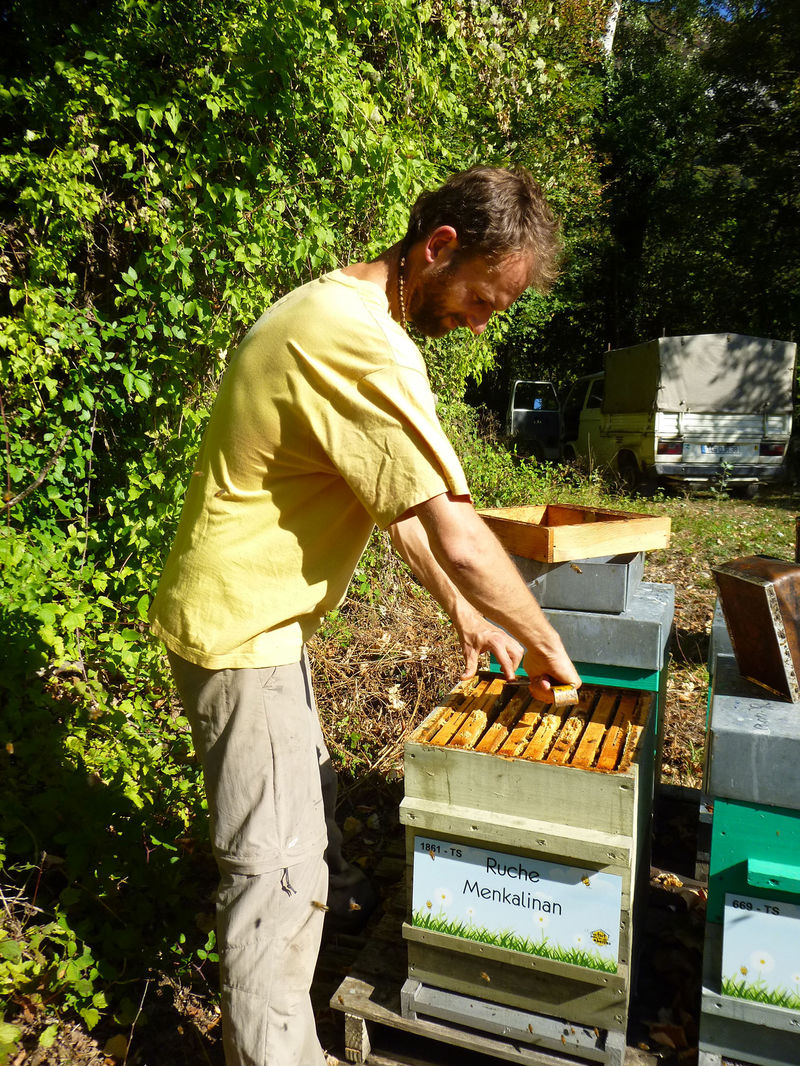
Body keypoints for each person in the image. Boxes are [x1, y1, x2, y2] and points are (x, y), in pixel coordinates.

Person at [149, 165, 582, 1066]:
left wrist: (465, 614)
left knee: (308, 793)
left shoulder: (332, 308)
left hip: (258, 615)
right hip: (245, 631)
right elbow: (457, 533)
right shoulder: (360, 343)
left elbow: (394, 506)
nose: (479, 323)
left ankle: (337, 902)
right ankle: (275, 1049)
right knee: (274, 872)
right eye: (480, 299)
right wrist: (547, 645)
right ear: (438, 248)